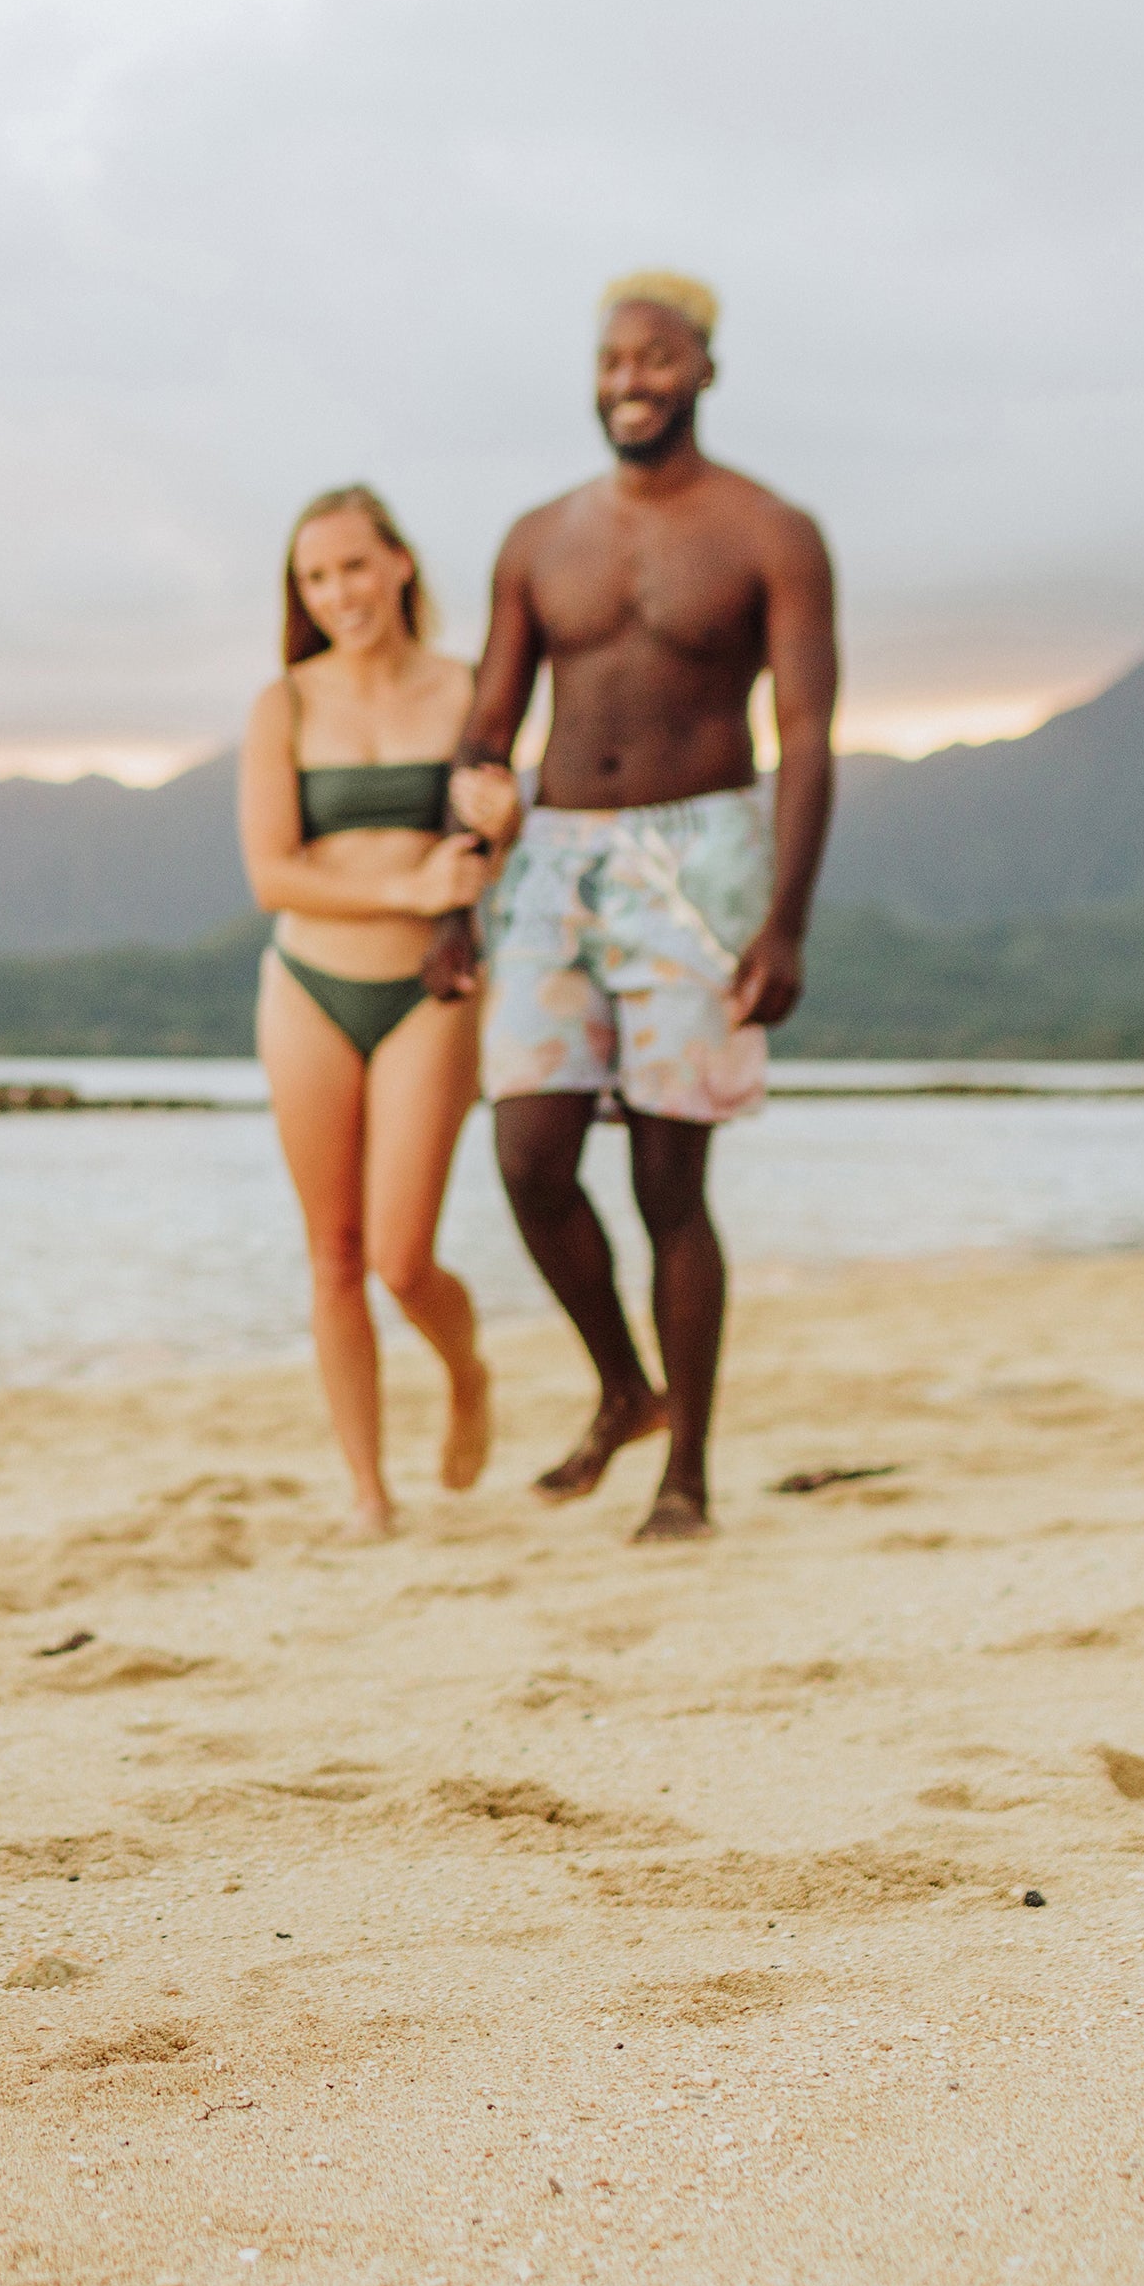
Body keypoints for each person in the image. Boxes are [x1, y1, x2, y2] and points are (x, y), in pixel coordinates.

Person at [429, 270, 838, 1544]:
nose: (631, 382)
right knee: (528, 1155)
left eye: (657, 360)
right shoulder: (537, 537)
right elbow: (489, 727)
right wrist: (457, 894)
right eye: (613, 362)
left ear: (704, 370)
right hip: (553, 861)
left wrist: (785, 921)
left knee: (672, 1181)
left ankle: (688, 1479)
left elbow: (810, 736)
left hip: (704, 854)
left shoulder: (771, 530)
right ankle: (622, 1387)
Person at [238, 487, 500, 1537]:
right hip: (307, 988)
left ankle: (467, 1371)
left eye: (354, 566)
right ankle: (368, 1494)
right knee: (334, 1257)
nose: (338, 592)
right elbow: (271, 875)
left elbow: (490, 851)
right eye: (316, 576)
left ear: (398, 564)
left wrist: (503, 821)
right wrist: (404, 889)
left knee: (401, 1257)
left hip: (429, 996)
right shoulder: (285, 705)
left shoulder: (471, 689)